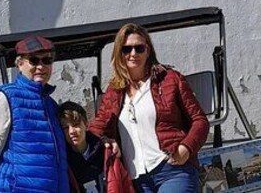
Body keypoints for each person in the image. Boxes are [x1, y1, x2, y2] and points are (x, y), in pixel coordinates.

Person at [88, 24, 210, 193]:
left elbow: (200, 120)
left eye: (139, 48)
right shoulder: (114, 91)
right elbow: (97, 128)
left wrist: (186, 148)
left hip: (173, 170)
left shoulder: (170, 79)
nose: (133, 54)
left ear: (148, 50)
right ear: (119, 53)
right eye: (126, 49)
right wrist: (104, 141)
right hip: (137, 180)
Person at [0, 35, 70, 193]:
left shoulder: (51, 105)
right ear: (20, 64)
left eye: (47, 60)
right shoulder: (7, 98)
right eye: (34, 60)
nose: (41, 66)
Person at [58, 101, 105, 192]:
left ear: (86, 125)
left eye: (76, 125)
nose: (71, 131)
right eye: (66, 128)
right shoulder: (65, 163)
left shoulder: (104, 152)